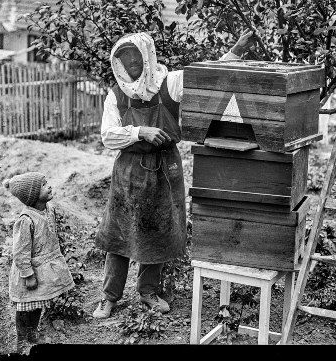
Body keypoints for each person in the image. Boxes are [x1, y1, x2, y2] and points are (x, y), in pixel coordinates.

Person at [93, 30, 256, 319]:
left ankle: (148, 291)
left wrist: (235, 51)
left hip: (165, 168)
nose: (131, 63)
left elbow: (207, 77)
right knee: (119, 232)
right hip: (129, 171)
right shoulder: (116, 95)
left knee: (158, 230)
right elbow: (107, 135)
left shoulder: (170, 82)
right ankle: (109, 297)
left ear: (147, 56)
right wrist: (139, 132)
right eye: (125, 58)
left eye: (135, 56)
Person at [4, 172, 74, 352]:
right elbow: (20, 252)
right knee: (25, 306)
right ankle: (22, 339)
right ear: (32, 195)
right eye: (43, 185)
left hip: (43, 268)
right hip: (29, 271)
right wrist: (28, 275)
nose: (49, 186)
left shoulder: (48, 209)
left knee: (38, 303)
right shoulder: (26, 220)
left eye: (47, 182)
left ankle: (32, 333)